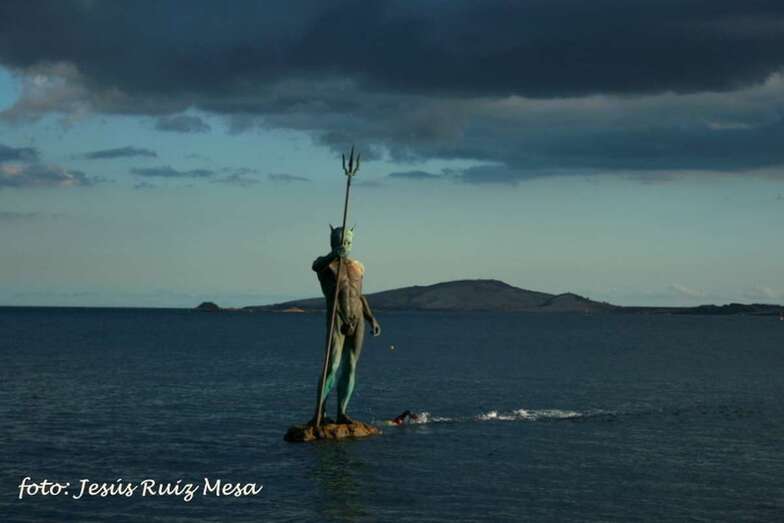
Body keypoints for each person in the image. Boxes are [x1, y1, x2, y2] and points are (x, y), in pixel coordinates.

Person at [311, 225, 381, 425]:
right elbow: (315, 266)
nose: (346, 246)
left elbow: (359, 296)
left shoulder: (358, 266)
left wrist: (371, 318)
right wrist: (334, 254)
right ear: (333, 243)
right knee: (331, 366)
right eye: (341, 242)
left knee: (351, 366)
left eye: (348, 242)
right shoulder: (326, 265)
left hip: (357, 317)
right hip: (337, 317)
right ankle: (320, 413)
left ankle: (342, 412)